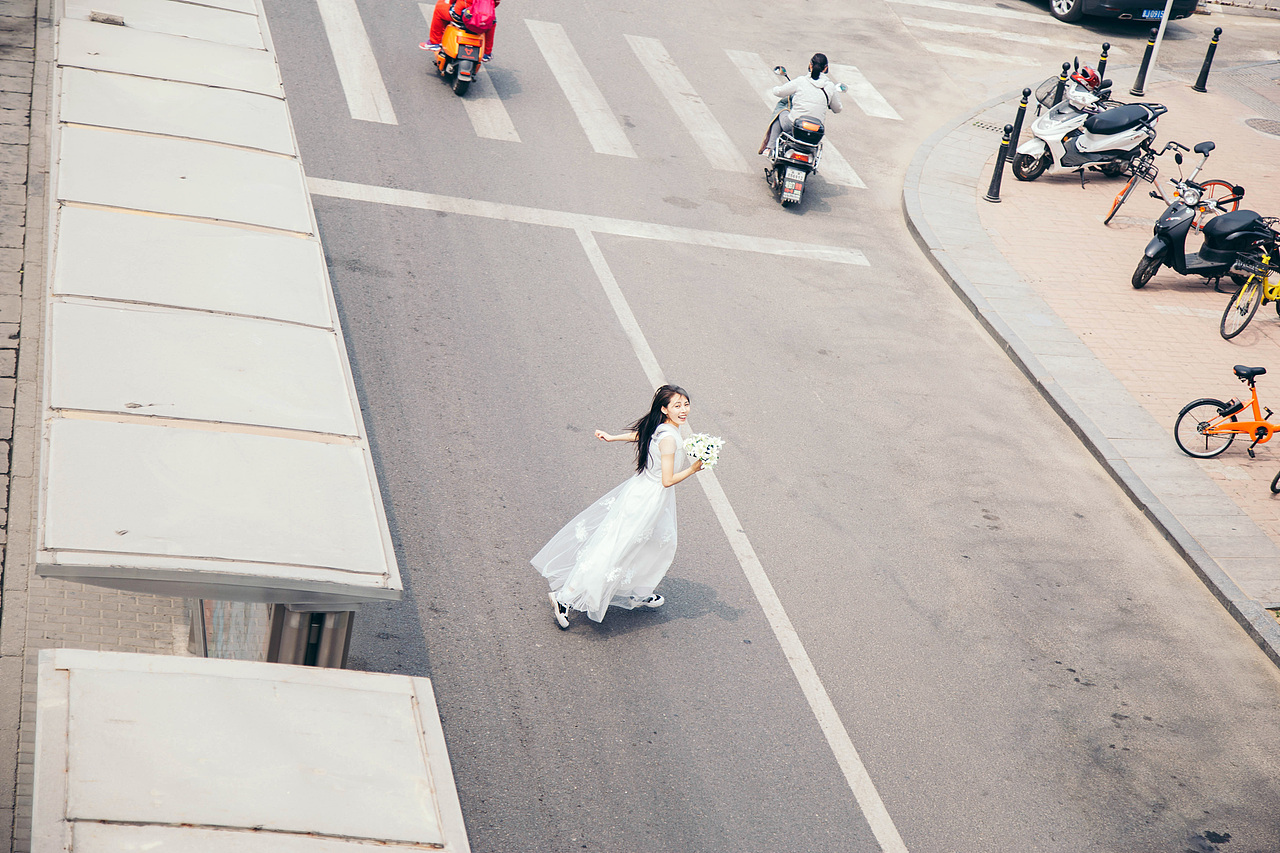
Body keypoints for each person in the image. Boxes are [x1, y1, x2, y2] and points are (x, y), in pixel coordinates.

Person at [532, 385, 704, 629]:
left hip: (645, 493)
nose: (683, 410)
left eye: (686, 404)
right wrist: (694, 468)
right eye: (677, 405)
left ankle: (640, 591)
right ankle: (564, 597)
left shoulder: (663, 428)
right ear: (665, 409)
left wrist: (613, 437)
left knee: (659, 543)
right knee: (618, 548)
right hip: (649, 498)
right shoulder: (668, 438)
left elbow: (641, 435)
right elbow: (667, 480)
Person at [758, 52, 842, 155]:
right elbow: (837, 109)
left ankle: (769, 149)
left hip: (794, 126)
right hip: (815, 131)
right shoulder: (830, 86)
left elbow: (779, 92)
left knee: (781, 112)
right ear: (825, 68)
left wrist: (775, 88)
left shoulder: (801, 81)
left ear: (810, 65)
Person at [425, 0, 499, 62]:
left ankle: (434, 42)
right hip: (483, 19)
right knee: (492, 23)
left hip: (461, 15)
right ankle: (486, 53)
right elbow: (496, 3)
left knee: (439, 8)